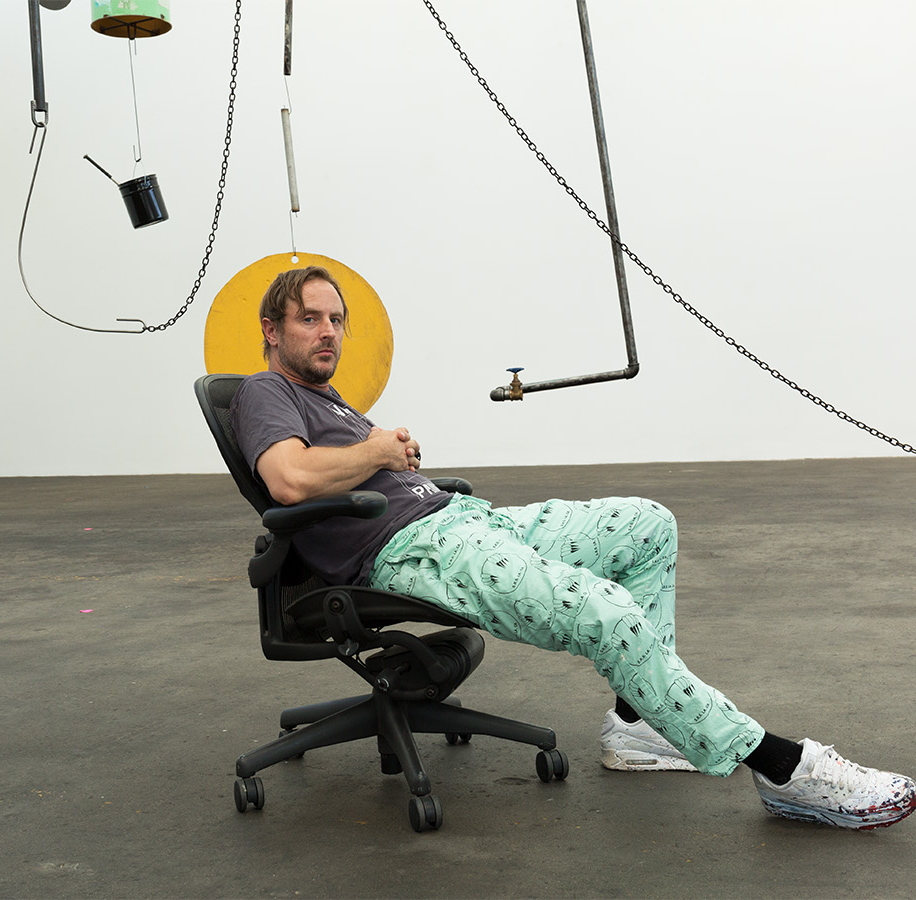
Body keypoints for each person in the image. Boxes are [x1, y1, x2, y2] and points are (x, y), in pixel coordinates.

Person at [229, 266, 916, 831]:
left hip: (464, 519)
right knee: (606, 614)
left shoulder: (333, 400)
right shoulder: (265, 392)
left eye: (336, 319)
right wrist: (380, 450)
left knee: (647, 524)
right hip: (416, 552)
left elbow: (347, 466)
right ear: (272, 330)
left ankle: (638, 726)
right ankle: (782, 768)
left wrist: (394, 461)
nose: (328, 331)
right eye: (310, 319)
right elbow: (289, 479)